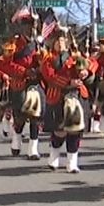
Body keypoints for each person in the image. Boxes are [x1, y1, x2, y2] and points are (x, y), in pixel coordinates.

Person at [40, 28, 96, 173]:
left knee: (75, 131)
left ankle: (72, 163)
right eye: (58, 41)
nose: (61, 43)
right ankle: (54, 156)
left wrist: (86, 71)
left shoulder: (75, 55)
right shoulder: (48, 59)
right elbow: (50, 76)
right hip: (58, 95)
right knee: (59, 130)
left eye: (63, 40)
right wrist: (68, 82)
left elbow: (91, 65)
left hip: (77, 95)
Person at [0, 8, 44, 159]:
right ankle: (16, 138)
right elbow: (3, 65)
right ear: (22, 27)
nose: (30, 29)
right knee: (20, 117)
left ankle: (33, 149)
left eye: (32, 26)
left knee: (36, 115)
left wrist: (41, 64)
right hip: (19, 84)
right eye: (27, 26)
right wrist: (23, 72)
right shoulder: (14, 44)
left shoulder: (39, 44)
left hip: (35, 83)